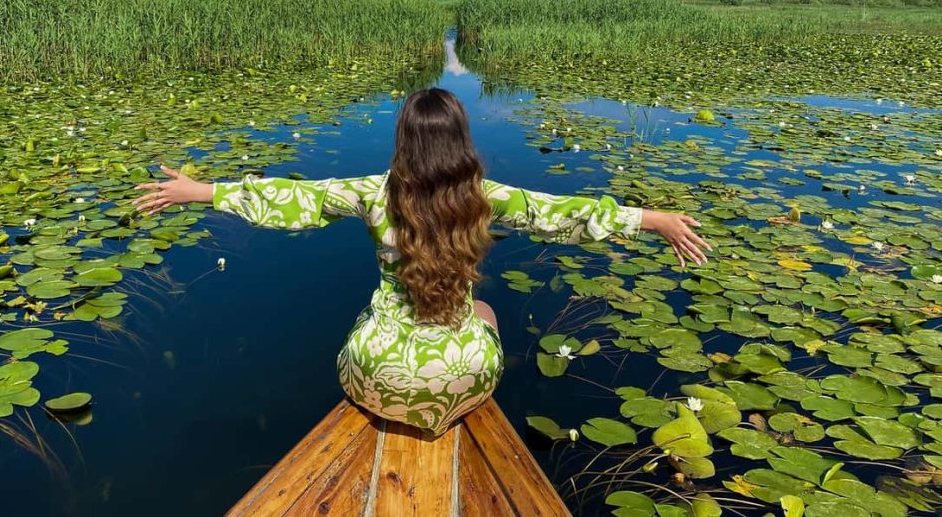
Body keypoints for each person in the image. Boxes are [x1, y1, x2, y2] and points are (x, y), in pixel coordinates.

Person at [133, 88, 711, 436]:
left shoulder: (373, 192)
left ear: (404, 142)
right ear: (460, 141)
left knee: (368, 321)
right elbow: (564, 213)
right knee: (481, 307)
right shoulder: (485, 198)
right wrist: (652, 219)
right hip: (463, 381)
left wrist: (204, 191)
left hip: (376, 377)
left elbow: (293, 198)